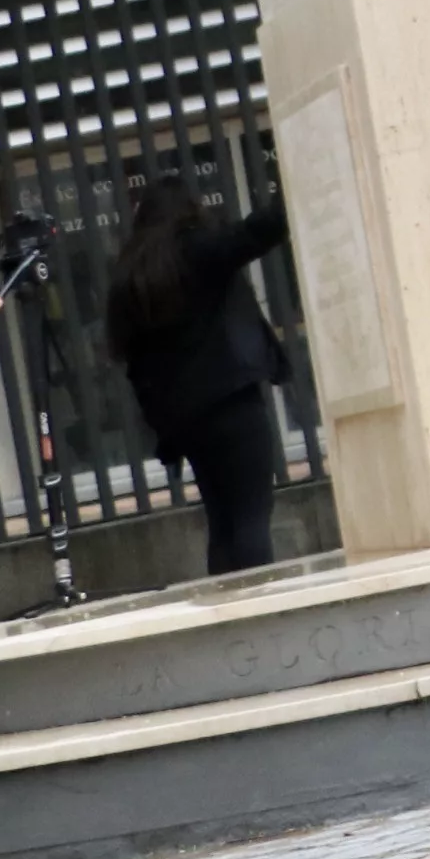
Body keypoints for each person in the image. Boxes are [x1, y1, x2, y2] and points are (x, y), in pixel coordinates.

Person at [101, 173, 294, 576]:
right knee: (251, 516)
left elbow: (134, 361)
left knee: (222, 522)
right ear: (187, 210)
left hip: (186, 420)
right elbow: (254, 233)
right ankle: (259, 610)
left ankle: (229, 614)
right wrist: (293, 182)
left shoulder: (133, 276)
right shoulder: (194, 249)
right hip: (232, 403)